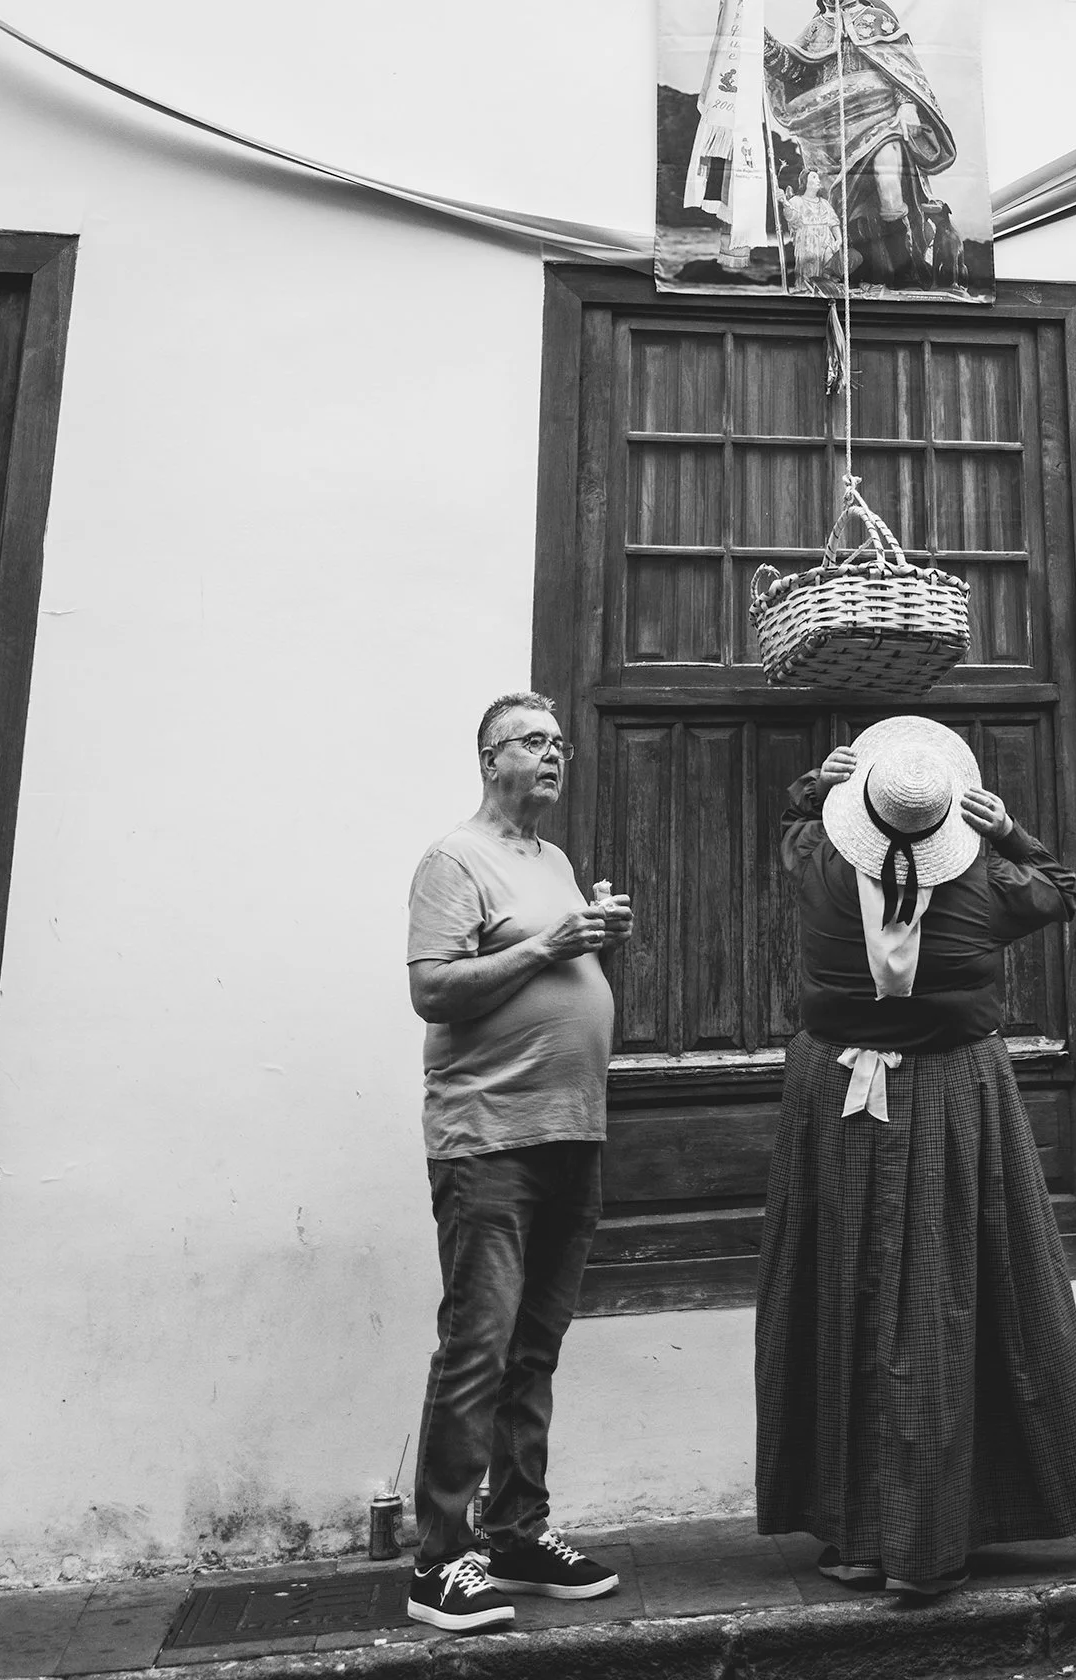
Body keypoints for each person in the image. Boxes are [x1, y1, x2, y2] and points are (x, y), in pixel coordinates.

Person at [755, 715, 1076, 1599]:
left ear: (856, 814)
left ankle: (859, 1532)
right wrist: (1008, 829)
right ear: (951, 818)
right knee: (951, 1298)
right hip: (953, 1094)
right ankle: (939, 1526)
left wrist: (817, 785)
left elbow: (794, 824)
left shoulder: (818, 865)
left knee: (844, 1294)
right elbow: (1060, 890)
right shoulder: (988, 885)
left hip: (836, 1095)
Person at [402, 694, 632, 1633]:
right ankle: (440, 1560)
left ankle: (515, 1532)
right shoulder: (453, 860)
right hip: (490, 1139)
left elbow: (553, 969)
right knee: (479, 1347)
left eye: (560, 743)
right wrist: (550, 945)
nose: (554, 754)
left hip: (570, 1132)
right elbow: (432, 991)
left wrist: (590, 937)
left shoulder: (554, 861)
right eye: (534, 741)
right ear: (489, 759)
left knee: (535, 1348)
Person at [762, 0, 961, 286]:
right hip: (830, 129)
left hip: (881, 117)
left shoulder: (877, 20)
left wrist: (907, 103)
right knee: (841, 208)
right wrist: (762, 40)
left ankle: (905, 266)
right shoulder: (816, 29)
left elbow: (902, 69)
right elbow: (791, 68)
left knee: (889, 180)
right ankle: (864, 269)